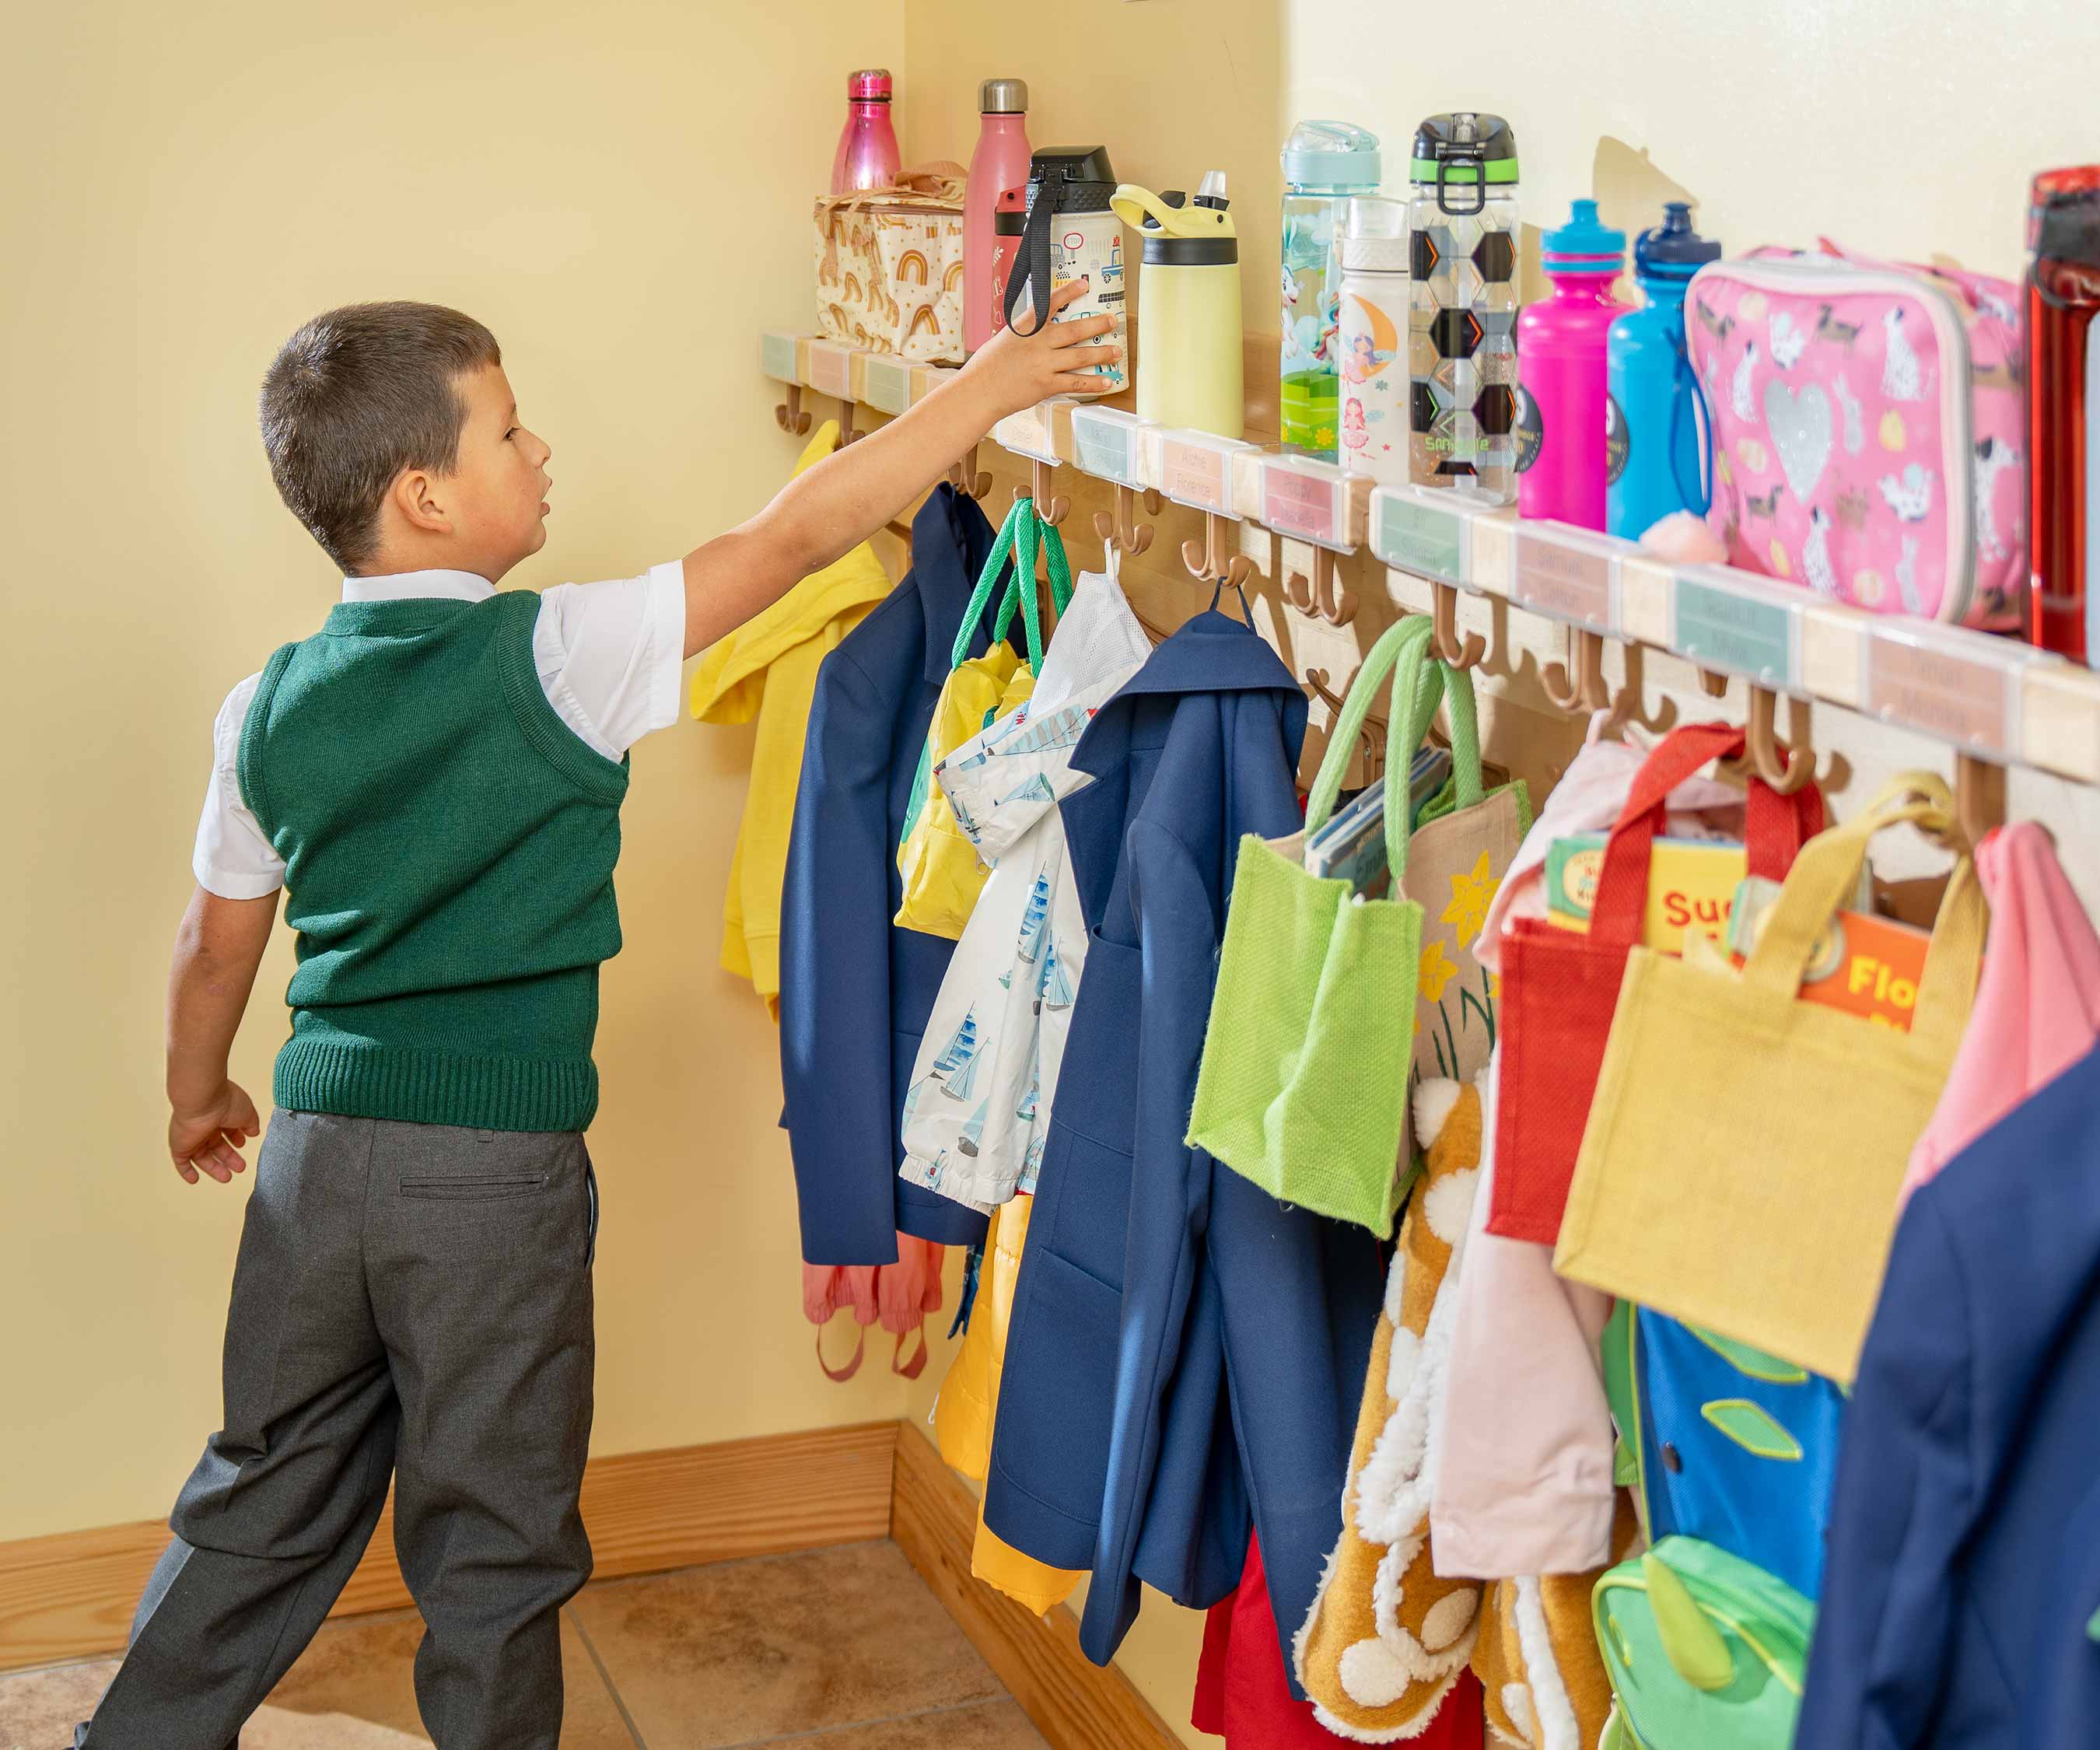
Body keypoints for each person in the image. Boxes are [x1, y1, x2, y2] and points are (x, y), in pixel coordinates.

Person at [75, 286, 1116, 1750]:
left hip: (315, 1157)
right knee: (490, 1528)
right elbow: (796, 535)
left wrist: (200, 1096)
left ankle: (124, 1740)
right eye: (510, 428)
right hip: (490, 1175)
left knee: (265, 1480)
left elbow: (211, 943)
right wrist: (988, 388)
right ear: (427, 494)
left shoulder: (263, 705)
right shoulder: (559, 655)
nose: (542, 449)